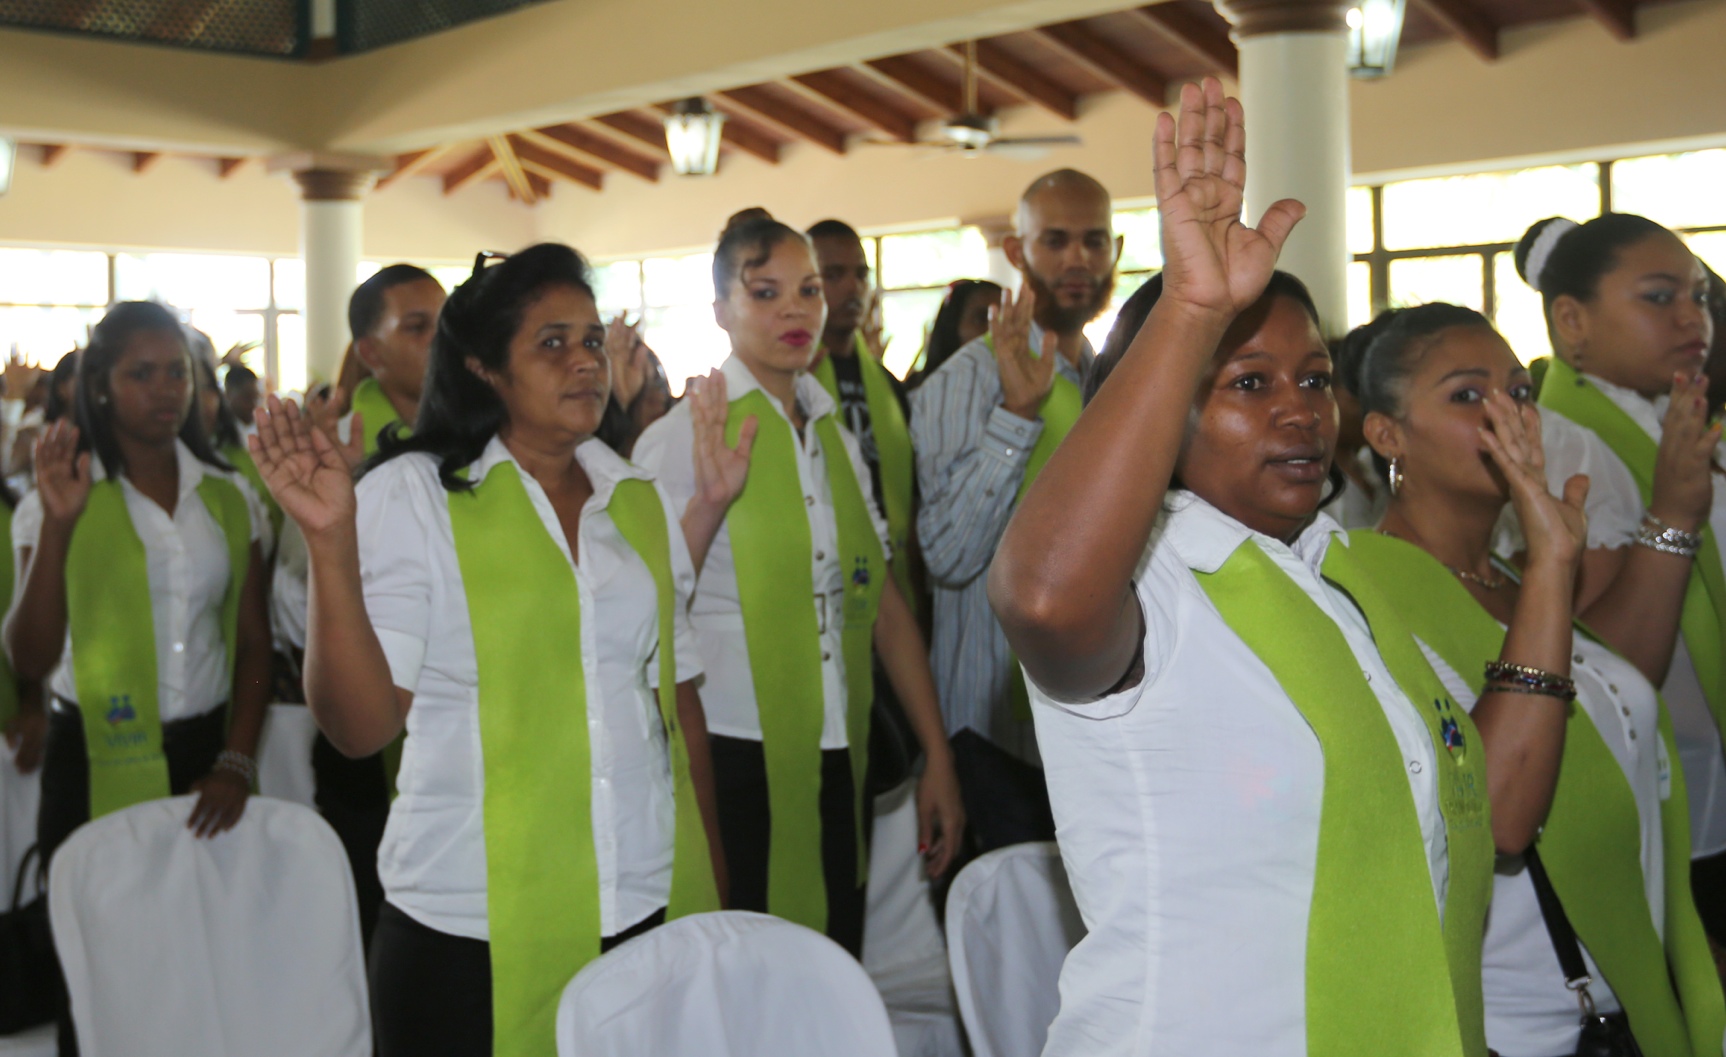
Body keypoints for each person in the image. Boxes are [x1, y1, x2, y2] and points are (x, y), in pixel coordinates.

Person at [986, 79, 1573, 1055]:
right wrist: (1189, 310)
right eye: (1248, 383)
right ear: (1162, 409)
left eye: (1313, 380)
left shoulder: (1336, 577)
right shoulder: (1157, 587)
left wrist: (1550, 561)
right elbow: (1041, 600)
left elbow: (1493, 815)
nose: (1299, 410)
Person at [250, 243, 724, 1057]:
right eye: (551, 343)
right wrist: (329, 544)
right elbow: (361, 729)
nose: (585, 361)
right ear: (483, 368)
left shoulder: (632, 496)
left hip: (641, 901)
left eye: (591, 339)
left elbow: (677, 710)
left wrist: (712, 888)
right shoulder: (414, 496)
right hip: (469, 926)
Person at [1352, 302, 1724, 1056]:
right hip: (1522, 1027)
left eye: (1520, 392)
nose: (1509, 416)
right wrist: (1555, 559)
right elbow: (1498, 818)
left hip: (1624, 991)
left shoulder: (1509, 579)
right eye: (1467, 395)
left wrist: (1674, 513)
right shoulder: (1362, 596)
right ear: (1388, 435)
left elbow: (1614, 702)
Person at [633, 209, 964, 957]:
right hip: (733, 750)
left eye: (808, 290)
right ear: (721, 311)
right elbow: (645, 613)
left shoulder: (834, 435)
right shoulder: (682, 439)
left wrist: (936, 753)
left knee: (833, 955)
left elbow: (881, 603)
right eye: (765, 292)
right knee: (747, 963)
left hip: (836, 739)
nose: (795, 310)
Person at [4, 302, 272, 1056]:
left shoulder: (228, 494)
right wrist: (59, 524)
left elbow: (255, 644)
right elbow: (29, 657)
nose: (166, 390)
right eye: (141, 373)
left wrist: (237, 759)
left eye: (178, 372)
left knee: (197, 969)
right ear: (100, 385)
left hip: (206, 762)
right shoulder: (58, 494)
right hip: (91, 757)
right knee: (96, 978)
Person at [1517, 214, 1726, 944]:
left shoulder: (1677, 417)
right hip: (1658, 789)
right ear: (1571, 320)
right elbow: (1598, 661)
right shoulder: (1565, 445)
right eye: (1659, 297)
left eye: (1699, 296)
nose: (1692, 317)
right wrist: (1673, 516)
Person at [909, 168, 1119, 852]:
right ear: (1016, 252)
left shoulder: (1111, 380)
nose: (1078, 259)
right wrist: (1016, 416)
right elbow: (947, 554)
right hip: (993, 737)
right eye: (1055, 241)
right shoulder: (964, 381)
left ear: (1116, 250)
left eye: (1094, 241)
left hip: (1097, 720)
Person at [906, 279, 1001, 389]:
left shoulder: (1010, 386)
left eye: (1003, 319)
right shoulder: (921, 390)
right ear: (952, 326)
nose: (996, 329)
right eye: (981, 319)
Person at [223, 362, 261, 440]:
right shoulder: (220, 434)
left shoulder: (262, 428)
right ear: (228, 393)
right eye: (247, 398)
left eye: (256, 398)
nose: (253, 405)